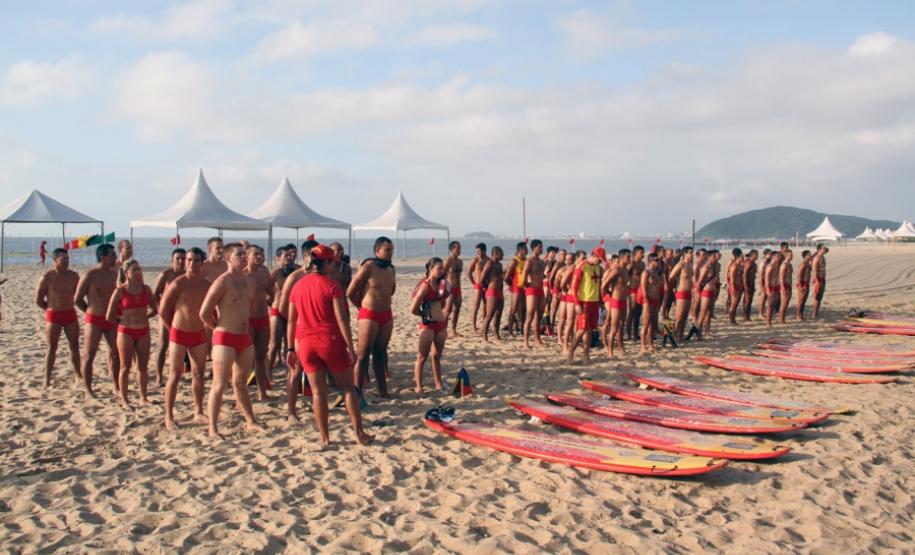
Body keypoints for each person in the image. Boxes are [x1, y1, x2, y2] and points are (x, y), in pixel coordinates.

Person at [286, 244, 372, 447]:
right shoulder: (331, 285)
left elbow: (291, 320)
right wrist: (350, 347)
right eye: (332, 261)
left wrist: (290, 348)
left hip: (305, 343)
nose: (335, 264)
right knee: (348, 389)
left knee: (318, 393)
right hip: (328, 340)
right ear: (325, 262)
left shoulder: (297, 286)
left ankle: (324, 438)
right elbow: (341, 319)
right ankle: (359, 434)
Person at [200, 242, 265, 438]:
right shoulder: (222, 281)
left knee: (240, 383)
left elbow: (249, 305)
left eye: (244, 254)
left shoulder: (249, 281)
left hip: (244, 337)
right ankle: (213, 428)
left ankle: (250, 420)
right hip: (224, 337)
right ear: (229, 258)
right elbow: (204, 312)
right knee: (219, 385)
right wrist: (218, 329)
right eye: (239, 255)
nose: (244, 257)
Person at [160, 247, 210, 430]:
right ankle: (169, 415)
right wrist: (172, 329)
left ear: (202, 263)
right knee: (175, 374)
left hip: (198, 333)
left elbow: (212, 310)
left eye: (196, 260)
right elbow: (163, 310)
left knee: (199, 373)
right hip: (179, 333)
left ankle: (198, 410)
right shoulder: (178, 283)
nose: (191, 263)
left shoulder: (206, 285)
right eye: (189, 260)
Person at [347, 237, 396, 399]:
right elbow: (350, 292)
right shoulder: (368, 266)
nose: (390, 253)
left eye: (391, 249)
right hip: (369, 314)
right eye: (387, 250)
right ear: (377, 251)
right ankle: (357, 392)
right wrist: (362, 308)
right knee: (363, 355)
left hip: (386, 315)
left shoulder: (391, 269)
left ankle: (383, 391)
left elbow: (391, 291)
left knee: (380, 354)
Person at [106, 259, 158, 409]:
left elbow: (155, 309)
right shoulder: (120, 291)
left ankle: (143, 398)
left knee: (142, 366)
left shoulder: (146, 289)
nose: (138, 272)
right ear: (126, 273)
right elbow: (109, 315)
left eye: (139, 269)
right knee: (125, 367)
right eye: (134, 270)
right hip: (125, 331)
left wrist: (144, 316)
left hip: (143, 331)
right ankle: (124, 400)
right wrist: (121, 319)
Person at [279, 239, 319, 420]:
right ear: (306, 256)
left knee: (316, 370)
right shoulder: (294, 277)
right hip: (300, 329)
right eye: (314, 255)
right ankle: (291, 411)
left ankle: (314, 404)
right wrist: (297, 323)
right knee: (295, 370)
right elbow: (282, 308)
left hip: (318, 329)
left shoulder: (322, 275)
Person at [74, 243, 119, 397]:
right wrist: (89, 311)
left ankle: (116, 385)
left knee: (115, 353)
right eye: (113, 255)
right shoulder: (90, 275)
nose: (116, 257)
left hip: (111, 320)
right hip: (94, 319)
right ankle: (88, 388)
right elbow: (78, 299)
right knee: (89, 354)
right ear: (103, 257)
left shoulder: (115, 275)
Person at [36, 248, 81, 387]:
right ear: (55, 260)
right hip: (53, 315)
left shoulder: (73, 276)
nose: (67, 262)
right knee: (52, 347)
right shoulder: (47, 277)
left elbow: (78, 296)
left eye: (68, 260)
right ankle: (47, 379)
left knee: (74, 345)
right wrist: (50, 310)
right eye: (63, 260)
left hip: (70, 314)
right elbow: (38, 300)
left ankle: (78, 374)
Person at [411, 257, 449, 393]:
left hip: (441, 324)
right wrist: (424, 314)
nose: (441, 271)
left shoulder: (442, 284)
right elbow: (413, 308)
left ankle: (438, 384)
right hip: (428, 325)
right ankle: (419, 387)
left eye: (442, 268)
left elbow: (442, 303)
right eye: (439, 268)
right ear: (430, 269)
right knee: (422, 357)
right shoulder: (425, 286)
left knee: (436, 356)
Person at [153, 249, 186, 387]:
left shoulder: (187, 275)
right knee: (163, 344)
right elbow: (155, 295)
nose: (181, 261)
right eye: (178, 258)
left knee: (184, 344)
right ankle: (159, 376)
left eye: (183, 258)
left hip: (182, 314)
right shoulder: (166, 275)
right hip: (166, 313)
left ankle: (180, 372)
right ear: (172, 260)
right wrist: (160, 310)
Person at [246, 244, 275, 401]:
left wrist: (268, 302)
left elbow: (272, 293)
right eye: (256, 254)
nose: (260, 256)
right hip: (247, 320)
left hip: (263, 318)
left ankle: (261, 392)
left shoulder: (265, 272)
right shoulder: (242, 274)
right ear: (247, 256)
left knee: (260, 356)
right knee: (245, 358)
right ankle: (242, 393)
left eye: (261, 253)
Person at [567, 248, 603, 364]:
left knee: (589, 330)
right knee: (581, 330)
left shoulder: (597, 268)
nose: (600, 262)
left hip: (594, 303)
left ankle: (586, 356)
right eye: (599, 259)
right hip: (584, 303)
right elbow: (573, 288)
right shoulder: (581, 267)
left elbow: (598, 285)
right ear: (594, 256)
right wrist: (577, 304)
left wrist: (600, 301)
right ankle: (570, 354)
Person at [268, 245, 298, 370]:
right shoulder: (275, 273)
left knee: (289, 344)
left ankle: (289, 371)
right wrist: (271, 302)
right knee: (274, 344)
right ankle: (267, 373)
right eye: (286, 256)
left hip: (292, 311)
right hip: (277, 310)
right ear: (278, 258)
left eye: (290, 256)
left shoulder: (298, 270)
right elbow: (266, 290)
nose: (289, 258)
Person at [601, 249, 630, 357]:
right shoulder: (616, 269)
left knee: (622, 324)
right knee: (614, 327)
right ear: (622, 258)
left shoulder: (626, 270)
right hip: (616, 300)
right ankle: (610, 351)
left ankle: (620, 347)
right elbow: (604, 284)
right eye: (628, 257)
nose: (629, 259)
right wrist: (606, 295)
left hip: (623, 300)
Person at [521, 239, 547, 349]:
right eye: (540, 247)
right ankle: (526, 341)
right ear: (534, 247)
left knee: (539, 316)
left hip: (540, 290)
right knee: (530, 316)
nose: (541, 249)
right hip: (532, 290)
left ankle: (537, 339)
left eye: (542, 247)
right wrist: (525, 285)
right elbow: (524, 274)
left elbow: (542, 275)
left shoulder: (542, 262)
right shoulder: (529, 261)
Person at [668, 247, 694, 343]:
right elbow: (671, 277)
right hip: (681, 292)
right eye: (690, 253)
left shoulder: (690, 264)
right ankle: (673, 337)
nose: (692, 254)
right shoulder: (681, 264)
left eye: (692, 252)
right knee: (678, 317)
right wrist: (674, 288)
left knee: (684, 317)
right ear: (685, 254)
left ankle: (680, 336)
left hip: (688, 292)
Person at [639, 253, 664, 354]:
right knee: (646, 323)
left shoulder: (656, 272)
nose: (658, 262)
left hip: (655, 300)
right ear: (650, 261)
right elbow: (643, 288)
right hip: (647, 300)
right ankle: (643, 346)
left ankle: (650, 344)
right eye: (656, 260)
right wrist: (647, 301)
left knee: (652, 323)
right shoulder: (646, 273)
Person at [480, 246, 504, 342]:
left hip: (500, 292)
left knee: (498, 314)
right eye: (501, 253)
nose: (503, 255)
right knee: (489, 314)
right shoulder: (489, 264)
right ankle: (485, 337)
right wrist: (486, 287)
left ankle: (496, 334)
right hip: (492, 292)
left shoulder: (499, 265)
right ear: (496, 253)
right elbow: (482, 279)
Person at [503, 242, 528, 334]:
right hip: (516, 287)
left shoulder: (526, 260)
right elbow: (506, 277)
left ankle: (522, 329)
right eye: (526, 248)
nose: (527, 250)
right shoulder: (514, 261)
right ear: (521, 249)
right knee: (514, 309)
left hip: (524, 287)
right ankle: (510, 330)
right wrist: (512, 286)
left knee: (523, 309)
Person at [466, 243, 488, 334]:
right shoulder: (476, 260)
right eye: (477, 251)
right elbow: (469, 273)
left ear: (484, 251)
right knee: (476, 306)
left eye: (479, 251)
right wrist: (474, 283)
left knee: (486, 306)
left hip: (486, 285)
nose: (478, 253)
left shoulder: (488, 260)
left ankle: (484, 325)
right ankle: (474, 327)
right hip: (478, 285)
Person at [443, 241, 463, 337]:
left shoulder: (460, 262)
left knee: (457, 309)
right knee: (448, 310)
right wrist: (443, 290)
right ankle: (443, 330)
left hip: (458, 289)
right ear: (452, 249)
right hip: (450, 288)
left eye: (460, 248)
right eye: (458, 248)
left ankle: (453, 330)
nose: (459, 250)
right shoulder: (448, 261)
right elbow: (442, 275)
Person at [625, 246, 645, 341]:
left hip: (640, 289)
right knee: (632, 312)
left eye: (643, 252)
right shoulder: (632, 263)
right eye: (641, 253)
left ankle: (635, 333)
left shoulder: (643, 264)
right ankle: (629, 334)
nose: (643, 254)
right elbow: (625, 273)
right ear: (635, 253)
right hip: (632, 289)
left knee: (638, 312)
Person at [547, 249, 567, 330]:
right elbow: (551, 279)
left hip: (563, 290)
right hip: (556, 289)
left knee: (562, 310)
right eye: (562, 254)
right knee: (554, 309)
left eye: (565, 254)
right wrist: (552, 290)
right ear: (559, 255)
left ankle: (558, 327)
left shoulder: (565, 264)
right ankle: (551, 327)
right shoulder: (557, 264)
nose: (563, 256)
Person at [726, 248, 744, 325]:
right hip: (735, 286)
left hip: (739, 286)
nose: (743, 258)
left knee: (736, 304)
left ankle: (733, 320)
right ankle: (731, 321)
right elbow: (732, 277)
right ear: (739, 257)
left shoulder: (740, 265)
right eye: (742, 256)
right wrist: (733, 287)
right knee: (733, 304)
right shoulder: (734, 266)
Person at [764, 252, 782, 328]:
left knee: (774, 305)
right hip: (771, 287)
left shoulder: (777, 265)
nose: (779, 257)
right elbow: (767, 278)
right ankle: (768, 322)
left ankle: (770, 321)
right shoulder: (770, 266)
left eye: (779, 256)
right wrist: (768, 289)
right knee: (770, 306)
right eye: (778, 256)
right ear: (773, 257)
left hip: (776, 286)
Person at [811, 244, 828, 319]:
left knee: (820, 297)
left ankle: (816, 313)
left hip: (822, 278)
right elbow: (814, 271)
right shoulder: (817, 258)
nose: (825, 250)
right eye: (823, 248)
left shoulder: (822, 256)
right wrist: (817, 281)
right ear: (820, 249)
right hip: (818, 279)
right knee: (817, 297)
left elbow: (827, 250)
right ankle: (814, 314)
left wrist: (819, 250)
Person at [778, 249, 794, 323]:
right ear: (786, 256)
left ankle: (783, 318)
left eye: (792, 255)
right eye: (790, 255)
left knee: (787, 302)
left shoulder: (789, 264)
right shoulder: (784, 265)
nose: (792, 256)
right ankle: (781, 319)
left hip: (789, 284)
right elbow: (781, 277)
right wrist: (783, 288)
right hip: (785, 285)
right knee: (783, 303)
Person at [796, 250, 812, 320]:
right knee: (801, 300)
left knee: (804, 301)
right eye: (809, 254)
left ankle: (801, 315)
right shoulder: (803, 264)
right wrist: (800, 286)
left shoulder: (808, 263)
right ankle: (798, 316)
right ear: (805, 256)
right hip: (802, 284)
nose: (810, 255)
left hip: (806, 283)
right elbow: (799, 275)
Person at [742, 249, 758, 321]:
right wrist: (745, 285)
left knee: (750, 300)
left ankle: (747, 315)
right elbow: (745, 275)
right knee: (747, 300)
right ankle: (745, 316)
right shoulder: (748, 263)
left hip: (752, 283)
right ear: (752, 255)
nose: (757, 256)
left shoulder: (754, 264)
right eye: (756, 255)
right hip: (748, 283)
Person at [758, 249, 772, 319]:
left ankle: (762, 312)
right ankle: (760, 313)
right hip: (763, 281)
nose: (771, 255)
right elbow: (760, 275)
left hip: (767, 281)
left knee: (765, 297)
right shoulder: (763, 262)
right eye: (770, 254)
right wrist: (761, 286)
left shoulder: (767, 262)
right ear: (766, 254)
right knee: (763, 297)